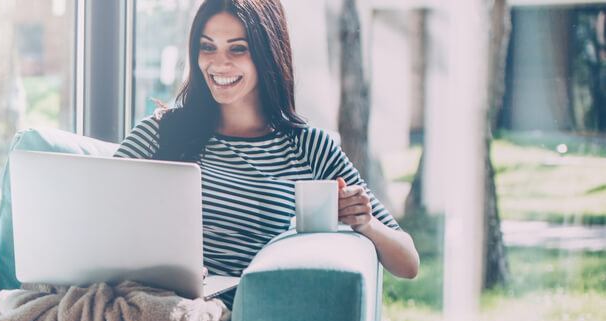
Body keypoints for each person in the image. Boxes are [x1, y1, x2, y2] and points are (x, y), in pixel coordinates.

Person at [115, 0, 420, 303]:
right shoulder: (160, 131)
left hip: (232, 320)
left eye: (238, 49)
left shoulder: (308, 147)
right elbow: (97, 210)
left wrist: (364, 222)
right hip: (145, 297)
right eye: (207, 47)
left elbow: (408, 263)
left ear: (267, 54)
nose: (219, 63)